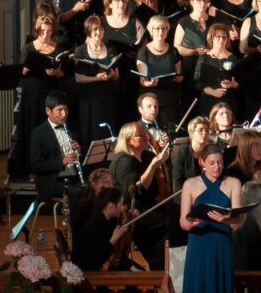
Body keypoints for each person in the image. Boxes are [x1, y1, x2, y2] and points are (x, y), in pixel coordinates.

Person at [178, 144, 242, 293]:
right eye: (212, 163)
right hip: (199, 244)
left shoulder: (233, 183)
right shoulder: (191, 184)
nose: (217, 167)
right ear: (202, 163)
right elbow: (182, 222)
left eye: (220, 162)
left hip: (221, 244)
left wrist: (228, 218)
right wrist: (194, 221)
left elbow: (238, 219)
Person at [109, 121, 171, 270]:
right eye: (141, 135)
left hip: (150, 206)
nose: (146, 137)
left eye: (146, 134)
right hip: (131, 212)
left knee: (179, 215)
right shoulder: (123, 161)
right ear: (129, 140)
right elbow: (134, 193)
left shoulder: (147, 155)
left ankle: (178, 268)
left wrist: (162, 160)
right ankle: (160, 267)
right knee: (167, 224)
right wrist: (153, 165)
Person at [17, 14, 69, 175]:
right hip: (32, 92)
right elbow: (21, 71)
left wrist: (55, 72)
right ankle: (33, 167)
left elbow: (63, 74)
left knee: (49, 128)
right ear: (37, 30)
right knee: (33, 126)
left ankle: (52, 164)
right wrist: (29, 67)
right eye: (43, 31)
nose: (46, 35)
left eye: (49, 31)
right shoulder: (29, 48)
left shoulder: (58, 47)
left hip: (50, 92)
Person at [29, 90, 83, 202]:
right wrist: (61, 162)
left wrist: (80, 150)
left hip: (74, 178)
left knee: (94, 190)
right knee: (77, 194)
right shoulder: (38, 133)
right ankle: (73, 219)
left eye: (66, 109)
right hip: (53, 182)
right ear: (48, 111)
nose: (64, 114)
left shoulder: (73, 129)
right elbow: (35, 165)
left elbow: (81, 157)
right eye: (60, 110)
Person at [73, 15, 120, 143]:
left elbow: (117, 76)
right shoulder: (81, 50)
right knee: (90, 131)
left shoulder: (111, 49)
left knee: (107, 129)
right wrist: (96, 78)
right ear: (89, 31)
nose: (98, 33)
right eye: (95, 29)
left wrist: (111, 75)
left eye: (100, 29)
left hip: (107, 96)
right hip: (89, 98)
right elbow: (78, 78)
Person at [136, 16, 184, 128]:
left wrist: (179, 78)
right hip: (150, 97)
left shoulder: (173, 50)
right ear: (151, 30)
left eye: (164, 28)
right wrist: (148, 83)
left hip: (170, 97)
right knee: (152, 131)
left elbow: (179, 72)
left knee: (169, 131)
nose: (160, 31)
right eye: (157, 28)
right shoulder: (143, 52)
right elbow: (143, 79)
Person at [71, 187, 130, 272]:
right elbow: (98, 260)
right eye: (121, 204)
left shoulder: (99, 216)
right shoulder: (98, 223)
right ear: (111, 206)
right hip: (84, 271)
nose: (122, 208)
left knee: (125, 264)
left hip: (84, 265)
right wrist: (114, 238)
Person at [194, 23, 240, 116]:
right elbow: (197, 82)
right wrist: (213, 92)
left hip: (228, 101)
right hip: (209, 100)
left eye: (224, 37)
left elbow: (240, 81)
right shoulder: (204, 58)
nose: (221, 40)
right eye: (217, 37)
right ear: (211, 38)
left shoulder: (233, 58)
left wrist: (231, 84)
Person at [231, 181, 261, 271]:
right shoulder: (249, 227)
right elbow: (259, 265)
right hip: (252, 278)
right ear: (258, 202)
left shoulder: (252, 223)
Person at [173, 116, 210, 193]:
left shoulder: (211, 152)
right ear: (192, 133)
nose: (204, 133)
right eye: (200, 130)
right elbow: (177, 184)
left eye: (207, 131)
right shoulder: (182, 152)